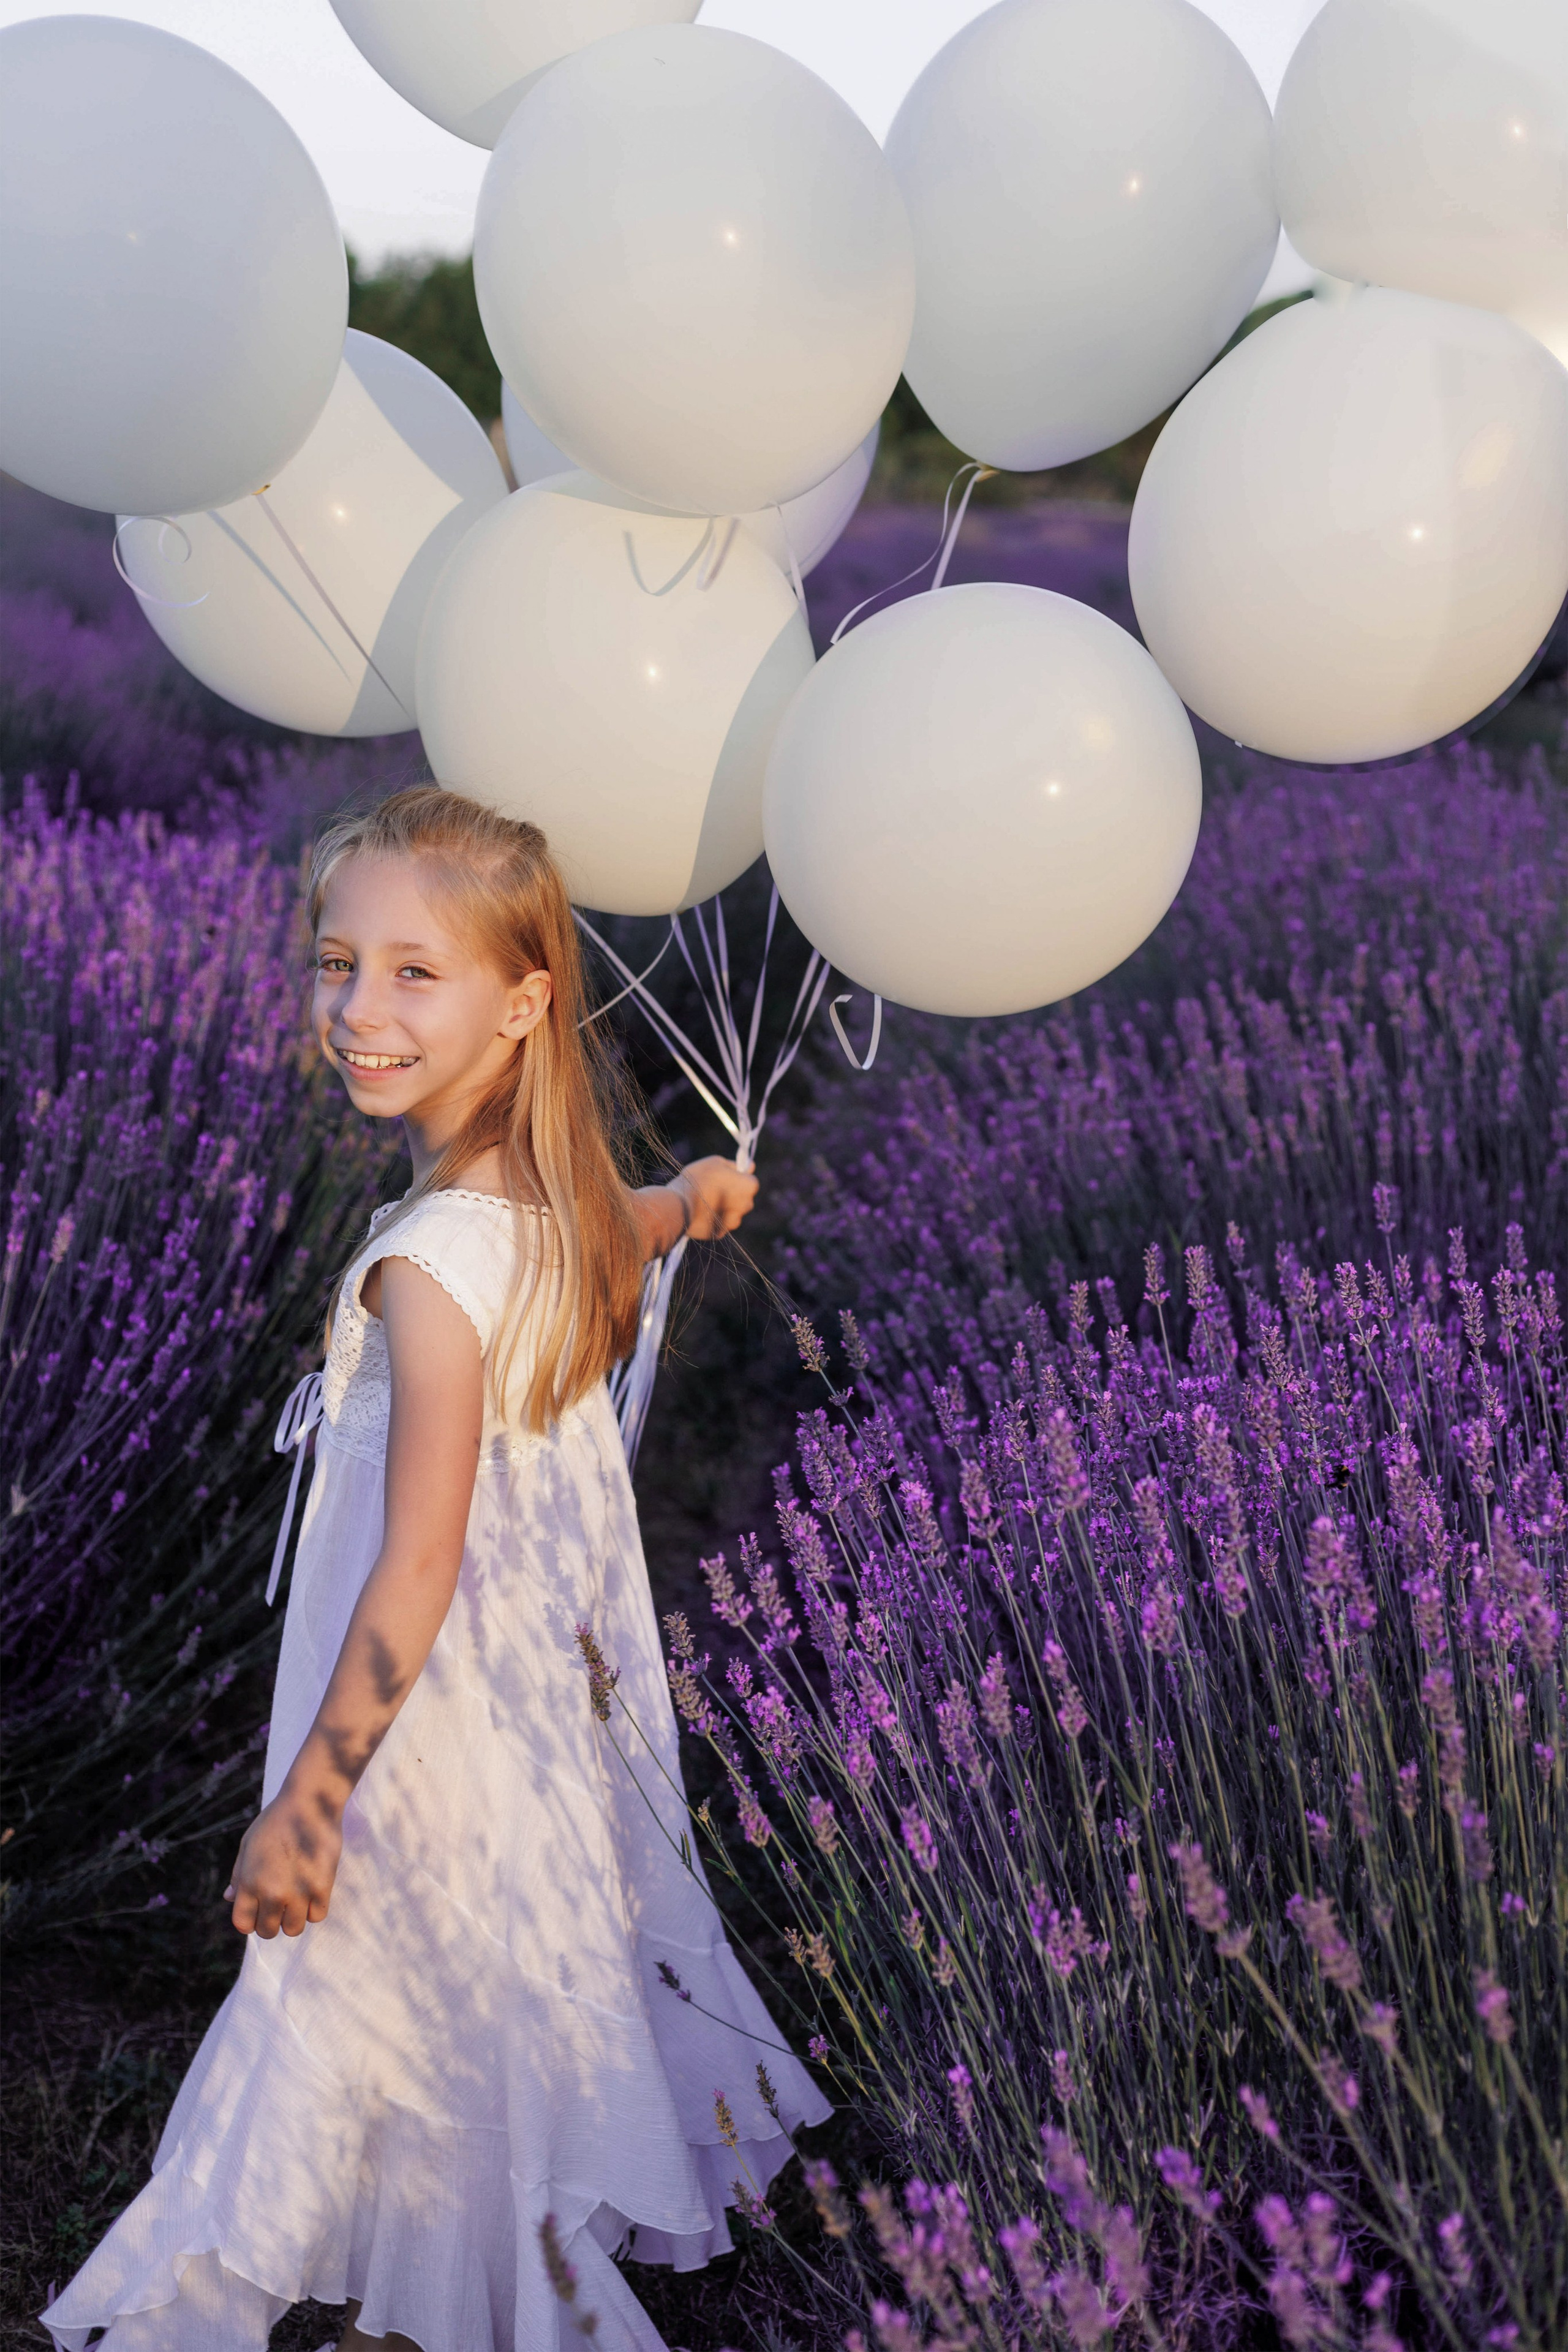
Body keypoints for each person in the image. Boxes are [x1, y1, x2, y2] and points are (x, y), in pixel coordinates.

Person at [43, 786, 829, 2352]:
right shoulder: (554, 1207)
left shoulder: (429, 1264)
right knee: (479, 1960)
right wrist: (698, 1205)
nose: (356, 1008)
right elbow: (632, 1219)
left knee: (375, 1969)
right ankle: (444, 2274)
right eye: (339, 963)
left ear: (524, 1002)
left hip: (414, 1711)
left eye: (415, 972)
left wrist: (315, 1797)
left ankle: (415, 2280)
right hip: (513, 1701)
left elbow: (417, 1556)